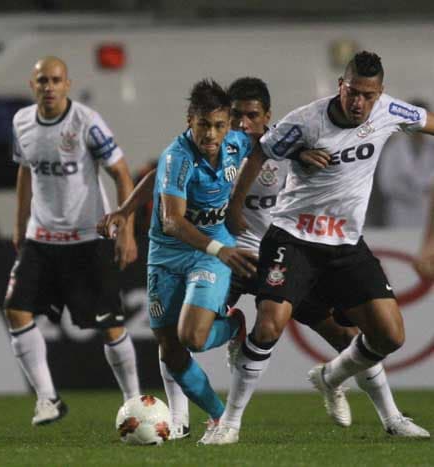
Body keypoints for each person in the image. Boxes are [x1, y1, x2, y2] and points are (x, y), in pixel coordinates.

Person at [99, 77, 428, 440]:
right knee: (180, 338)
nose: (242, 124)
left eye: (251, 116)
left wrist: (300, 155)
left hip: (278, 253)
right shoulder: (206, 146)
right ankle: (179, 419)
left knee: (342, 334)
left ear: (267, 117)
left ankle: (383, 410)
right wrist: (127, 211)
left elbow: (295, 159)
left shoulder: (282, 145)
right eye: (235, 116)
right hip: (229, 254)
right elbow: (163, 176)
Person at [204, 51, 434, 445]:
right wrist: (234, 207)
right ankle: (230, 423)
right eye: (353, 92)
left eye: (368, 95)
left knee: (390, 336)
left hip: (345, 244)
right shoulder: (305, 120)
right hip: (293, 238)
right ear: (340, 86)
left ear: (379, 94)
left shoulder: (390, 111)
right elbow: (261, 151)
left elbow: (428, 122)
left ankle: (331, 378)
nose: (359, 102)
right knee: (270, 324)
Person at [5, 56, 140, 426]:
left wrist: (124, 230)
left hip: (86, 238)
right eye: (42, 81)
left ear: (68, 84)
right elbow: (25, 171)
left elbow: (122, 173)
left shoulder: (86, 122)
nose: (48, 87)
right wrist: (20, 225)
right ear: (32, 85)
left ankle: (133, 402)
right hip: (41, 237)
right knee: (15, 310)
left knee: (110, 325)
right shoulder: (21, 122)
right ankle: (48, 399)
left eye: (55, 80)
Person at [129, 78, 262, 444]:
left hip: (213, 249)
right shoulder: (178, 156)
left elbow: (270, 145)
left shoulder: (238, 142)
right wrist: (127, 211)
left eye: (219, 125)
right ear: (190, 120)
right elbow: (172, 220)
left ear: (228, 124)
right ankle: (220, 419)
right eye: (204, 124)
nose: (212, 134)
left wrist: (306, 154)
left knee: (194, 338)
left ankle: (233, 326)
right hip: (167, 254)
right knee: (171, 349)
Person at [376, 99, 434, 227]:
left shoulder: (431, 147)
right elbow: (386, 184)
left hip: (427, 211)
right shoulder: (394, 148)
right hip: (400, 212)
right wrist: (412, 192)